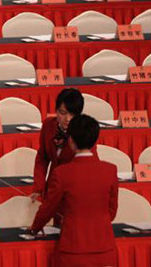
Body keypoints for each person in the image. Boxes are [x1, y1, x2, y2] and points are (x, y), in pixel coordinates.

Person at [29, 114, 118, 267]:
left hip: (73, 251)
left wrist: (35, 228)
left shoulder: (62, 173)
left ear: (70, 140)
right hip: (105, 249)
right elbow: (112, 210)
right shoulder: (110, 170)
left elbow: (48, 208)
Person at [31, 88, 98, 202]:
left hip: (74, 191)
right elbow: (42, 157)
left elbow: (90, 166)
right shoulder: (48, 125)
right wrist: (38, 188)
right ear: (56, 110)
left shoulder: (84, 131)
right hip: (52, 189)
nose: (67, 119)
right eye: (63, 113)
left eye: (72, 114)